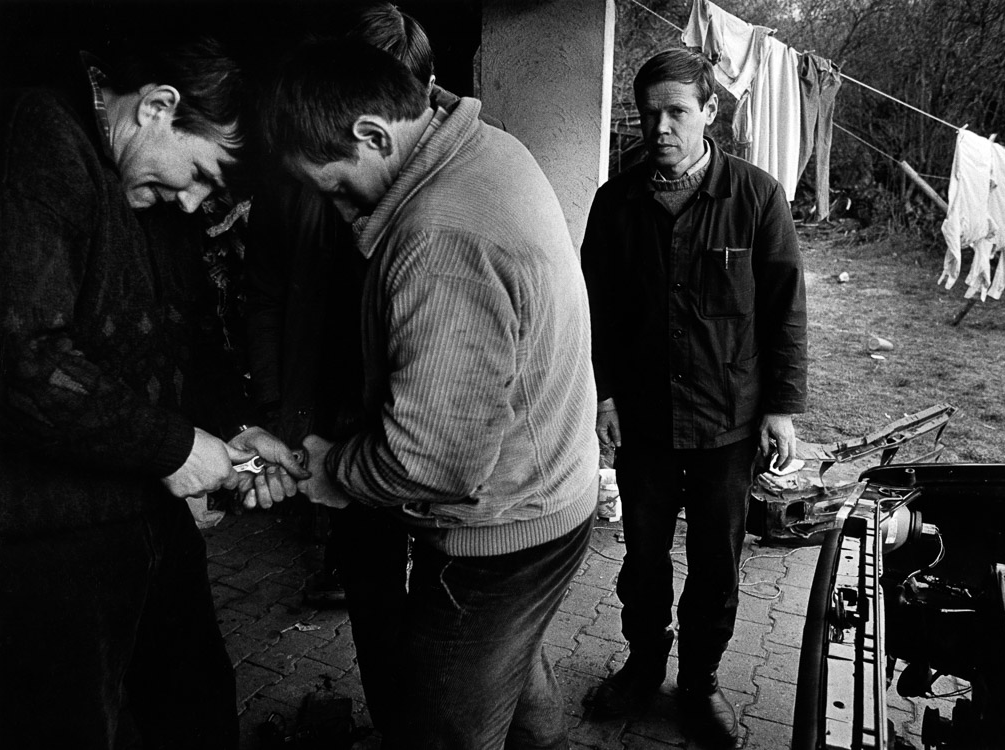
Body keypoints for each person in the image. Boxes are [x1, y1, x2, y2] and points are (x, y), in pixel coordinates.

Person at [260, 37, 599, 749]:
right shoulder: (490, 146)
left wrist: (331, 472)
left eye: (336, 185)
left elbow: (433, 462)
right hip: (555, 498)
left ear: (374, 134)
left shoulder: (438, 235)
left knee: (441, 726)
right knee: (514, 671)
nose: (343, 210)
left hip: (498, 539)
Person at [0, 36, 306, 749]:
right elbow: (20, 358)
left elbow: (185, 334)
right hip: (48, 544)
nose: (196, 201)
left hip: (144, 519)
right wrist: (175, 448)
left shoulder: (147, 193)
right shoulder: (39, 136)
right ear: (159, 108)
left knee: (196, 708)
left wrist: (231, 427)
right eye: (198, 174)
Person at [580, 48, 808, 747]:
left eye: (678, 111)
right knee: (642, 561)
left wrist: (780, 406)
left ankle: (700, 684)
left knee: (717, 565)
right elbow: (595, 310)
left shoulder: (757, 196)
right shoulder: (614, 203)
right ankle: (643, 669)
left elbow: (784, 308)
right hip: (645, 422)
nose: (661, 128)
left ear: (710, 112)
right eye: (649, 114)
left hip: (727, 423)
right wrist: (604, 395)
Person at [243, 2, 441, 734]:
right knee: (373, 591)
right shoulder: (293, 177)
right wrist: (280, 405)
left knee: (462, 600)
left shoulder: (449, 177)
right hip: (338, 413)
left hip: (425, 414)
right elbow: (263, 294)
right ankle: (396, 721)